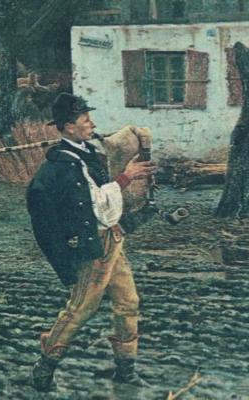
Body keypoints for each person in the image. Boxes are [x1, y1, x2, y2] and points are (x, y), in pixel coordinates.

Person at [26, 93, 157, 391]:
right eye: (86, 120)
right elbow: (95, 204)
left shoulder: (87, 153)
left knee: (128, 302)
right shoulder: (63, 166)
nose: (92, 124)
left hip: (112, 238)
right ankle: (44, 367)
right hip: (92, 245)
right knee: (81, 308)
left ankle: (126, 369)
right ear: (68, 127)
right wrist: (126, 177)